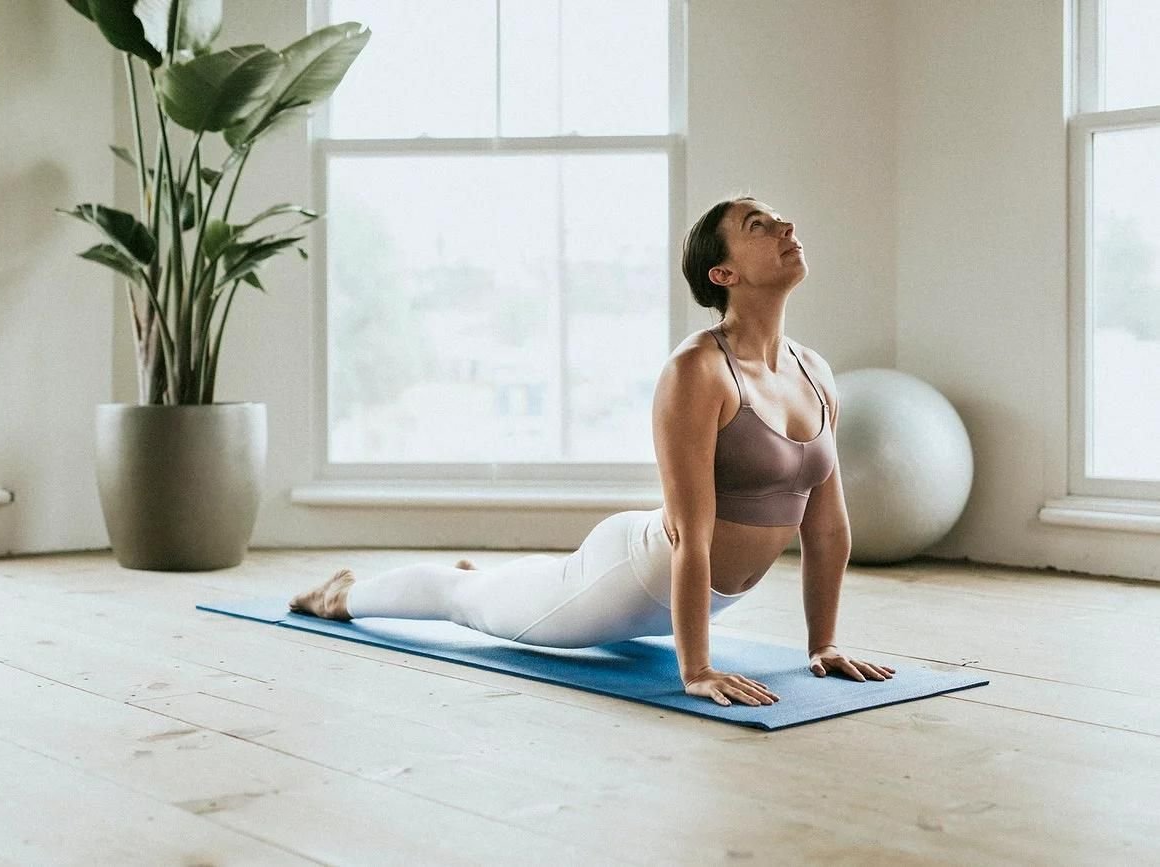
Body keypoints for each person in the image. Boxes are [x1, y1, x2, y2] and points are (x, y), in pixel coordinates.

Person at [290, 196, 895, 708]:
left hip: (707, 593)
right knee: (467, 604)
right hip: (637, 576)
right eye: (756, 226)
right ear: (723, 274)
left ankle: (503, 583)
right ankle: (339, 597)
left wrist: (824, 644)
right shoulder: (698, 370)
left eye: (780, 219)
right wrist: (696, 670)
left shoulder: (813, 371)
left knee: (509, 589)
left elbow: (827, 528)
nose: (785, 228)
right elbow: (690, 535)